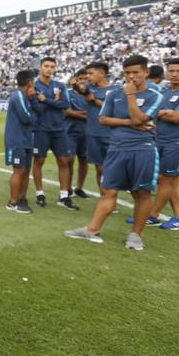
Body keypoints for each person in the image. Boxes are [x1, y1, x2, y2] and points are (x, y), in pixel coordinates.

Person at [65, 55, 163, 250]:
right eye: (127, 73)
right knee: (108, 190)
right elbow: (104, 119)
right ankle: (92, 230)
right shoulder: (114, 94)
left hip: (143, 149)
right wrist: (132, 122)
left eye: (136, 72)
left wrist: (131, 96)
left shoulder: (155, 95)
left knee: (141, 193)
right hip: (117, 147)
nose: (131, 77)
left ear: (146, 72)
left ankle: (135, 235)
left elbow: (140, 117)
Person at [140, 58, 179, 230]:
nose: (174, 74)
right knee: (168, 180)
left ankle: (152, 215)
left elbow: (178, 117)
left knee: (166, 179)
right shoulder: (163, 92)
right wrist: (165, 112)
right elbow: (148, 114)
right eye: (171, 70)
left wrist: (165, 113)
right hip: (159, 139)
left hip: (177, 142)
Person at [31, 57, 76, 210]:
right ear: (40, 67)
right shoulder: (34, 86)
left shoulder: (60, 86)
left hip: (59, 129)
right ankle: (39, 193)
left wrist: (46, 100)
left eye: (52, 66)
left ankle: (64, 196)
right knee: (39, 161)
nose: (49, 69)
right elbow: (37, 107)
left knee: (64, 161)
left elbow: (65, 105)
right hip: (41, 129)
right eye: (46, 66)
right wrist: (52, 101)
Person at [4, 70, 39, 214]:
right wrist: (34, 116)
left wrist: (33, 101)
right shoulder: (18, 96)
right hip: (16, 140)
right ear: (30, 82)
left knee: (25, 171)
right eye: (34, 81)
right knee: (18, 170)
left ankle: (21, 198)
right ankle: (13, 202)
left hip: (26, 139)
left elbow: (34, 112)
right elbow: (27, 118)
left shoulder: (26, 96)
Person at [83, 62, 116, 191]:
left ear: (102, 73)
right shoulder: (90, 88)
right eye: (87, 73)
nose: (88, 76)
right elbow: (80, 89)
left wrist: (94, 100)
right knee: (99, 167)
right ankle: (105, 195)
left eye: (91, 73)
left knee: (112, 167)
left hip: (110, 133)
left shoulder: (116, 90)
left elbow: (115, 109)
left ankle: (111, 195)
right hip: (93, 133)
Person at [65, 69, 90, 199]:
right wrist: (86, 115)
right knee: (69, 160)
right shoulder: (68, 93)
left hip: (87, 132)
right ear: (76, 80)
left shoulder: (91, 93)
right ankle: (67, 188)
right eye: (80, 79)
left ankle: (79, 188)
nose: (83, 81)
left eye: (85, 78)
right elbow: (67, 111)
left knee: (84, 160)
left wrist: (80, 114)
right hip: (70, 131)